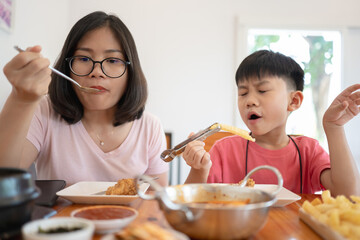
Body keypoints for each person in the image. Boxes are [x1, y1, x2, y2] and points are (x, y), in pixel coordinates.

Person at [0, 11, 168, 186]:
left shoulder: (150, 127)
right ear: (67, 67)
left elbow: (156, 201)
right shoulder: (44, 110)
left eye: (112, 60)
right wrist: (21, 100)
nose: (97, 72)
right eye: (84, 58)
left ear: (130, 72)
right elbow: (4, 179)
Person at [183, 50, 360, 196]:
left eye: (262, 90)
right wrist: (199, 169)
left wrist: (334, 127)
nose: (250, 101)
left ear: (294, 101)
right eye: (243, 93)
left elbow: (349, 195)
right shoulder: (224, 150)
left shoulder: (308, 151)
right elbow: (191, 203)